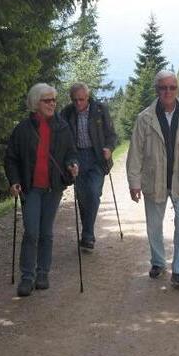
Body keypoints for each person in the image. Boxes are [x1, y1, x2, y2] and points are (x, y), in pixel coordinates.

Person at [126, 70, 179, 288]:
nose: (168, 91)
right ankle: (158, 261)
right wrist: (134, 183)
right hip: (154, 180)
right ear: (157, 90)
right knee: (154, 225)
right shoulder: (144, 118)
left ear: (177, 89)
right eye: (163, 87)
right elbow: (134, 152)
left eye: (172, 87)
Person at [4, 83, 79, 297]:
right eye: (47, 100)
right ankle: (27, 277)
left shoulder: (62, 128)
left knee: (46, 233)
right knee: (31, 232)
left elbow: (71, 153)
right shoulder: (22, 129)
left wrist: (73, 164)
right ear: (36, 103)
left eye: (54, 100)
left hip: (53, 188)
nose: (52, 104)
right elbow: (11, 158)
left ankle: (43, 273)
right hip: (31, 188)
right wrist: (14, 180)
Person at [60, 82, 117, 250]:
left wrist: (109, 148)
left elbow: (111, 134)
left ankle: (88, 236)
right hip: (76, 157)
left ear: (88, 97)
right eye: (75, 100)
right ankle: (88, 234)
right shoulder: (67, 113)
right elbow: (62, 139)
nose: (78, 103)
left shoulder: (100, 110)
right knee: (83, 196)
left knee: (93, 192)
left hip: (96, 156)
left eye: (82, 99)